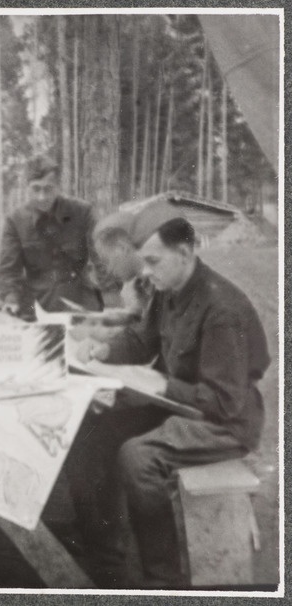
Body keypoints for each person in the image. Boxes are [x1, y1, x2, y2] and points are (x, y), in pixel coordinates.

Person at [66, 211, 270, 588]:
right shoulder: (168, 289)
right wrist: (104, 351)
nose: (146, 272)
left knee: (139, 458)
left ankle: (163, 580)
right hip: (181, 404)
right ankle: (106, 553)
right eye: (143, 261)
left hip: (225, 423)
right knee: (93, 427)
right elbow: (143, 339)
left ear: (186, 252)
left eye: (154, 261)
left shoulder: (221, 308)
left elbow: (223, 401)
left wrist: (160, 385)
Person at [0, 154, 107, 319]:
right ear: (26, 187)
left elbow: (102, 258)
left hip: (80, 301)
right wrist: (11, 298)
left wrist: (111, 293)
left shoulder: (82, 212)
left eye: (48, 189)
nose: (42, 197)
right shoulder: (15, 221)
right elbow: (9, 270)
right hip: (36, 307)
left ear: (58, 186)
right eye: (36, 189)